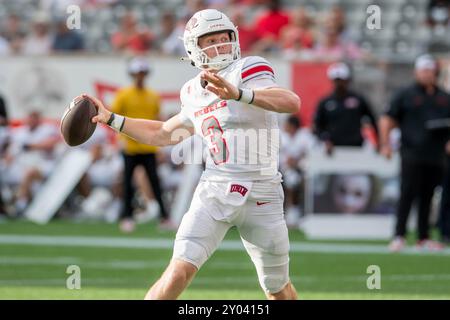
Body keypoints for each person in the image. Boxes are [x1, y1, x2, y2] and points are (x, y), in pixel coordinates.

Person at [86, 9, 300, 300]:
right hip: (214, 189)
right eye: (209, 40)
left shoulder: (248, 68)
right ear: (193, 49)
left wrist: (239, 94)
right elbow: (162, 133)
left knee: (277, 289)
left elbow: (290, 102)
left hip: (263, 192)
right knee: (178, 271)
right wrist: (112, 118)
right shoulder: (191, 92)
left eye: (224, 38)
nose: (219, 46)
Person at [379, 54, 450, 252]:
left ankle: (423, 236)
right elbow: (388, 118)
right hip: (412, 152)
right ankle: (399, 235)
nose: (427, 74)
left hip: (436, 155)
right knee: (407, 193)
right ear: (417, 72)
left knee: (428, 196)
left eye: (430, 70)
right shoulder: (406, 94)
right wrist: (385, 144)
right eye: (424, 70)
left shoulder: (444, 97)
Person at [110, 57, 170, 233]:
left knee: (155, 182)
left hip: (149, 146)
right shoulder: (123, 94)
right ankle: (127, 217)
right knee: (128, 183)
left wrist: (160, 145)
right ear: (132, 75)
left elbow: (158, 121)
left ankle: (164, 217)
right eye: (137, 73)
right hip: (130, 147)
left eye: (142, 73)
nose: (140, 77)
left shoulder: (153, 96)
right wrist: (119, 140)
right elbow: (114, 119)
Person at [313, 62, 379, 155]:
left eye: (341, 80)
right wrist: (325, 140)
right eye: (336, 80)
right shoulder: (325, 102)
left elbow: (372, 119)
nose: (339, 84)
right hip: (333, 150)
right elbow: (317, 125)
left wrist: (377, 142)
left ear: (347, 80)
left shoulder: (358, 99)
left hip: (356, 148)